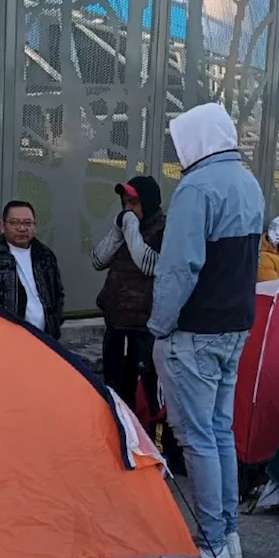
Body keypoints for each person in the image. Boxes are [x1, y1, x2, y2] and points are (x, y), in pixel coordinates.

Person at [147, 102, 264, 558]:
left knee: (196, 438)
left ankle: (212, 545)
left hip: (193, 332)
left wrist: (158, 325)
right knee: (219, 433)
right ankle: (229, 537)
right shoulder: (249, 182)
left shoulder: (196, 189)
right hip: (235, 327)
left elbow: (180, 267)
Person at [90, 176, 183, 473]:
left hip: (148, 329)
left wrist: (129, 228)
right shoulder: (125, 227)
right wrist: (120, 230)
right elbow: (97, 259)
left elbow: (150, 264)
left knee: (152, 396)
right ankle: (121, 446)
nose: (128, 210)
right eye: (124, 204)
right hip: (117, 325)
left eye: (134, 203)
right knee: (117, 389)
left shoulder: (167, 229)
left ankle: (158, 455)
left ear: (149, 202)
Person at [0, 200, 65, 339]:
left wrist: (55, 321)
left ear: (35, 226)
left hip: (44, 338)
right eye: (15, 223)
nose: (22, 228)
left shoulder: (45, 255)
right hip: (2, 339)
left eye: (28, 223)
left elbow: (57, 294)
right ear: (2, 226)